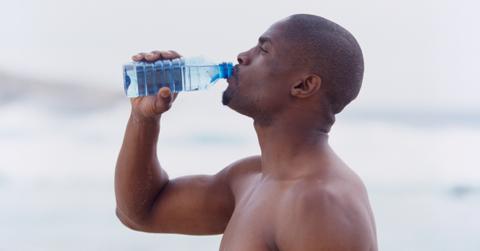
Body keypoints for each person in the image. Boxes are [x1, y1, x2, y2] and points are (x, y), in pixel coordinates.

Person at [115, 14, 378, 251]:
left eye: (263, 50)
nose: (242, 56)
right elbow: (140, 212)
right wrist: (144, 119)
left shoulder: (321, 205)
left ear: (303, 85)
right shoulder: (250, 179)